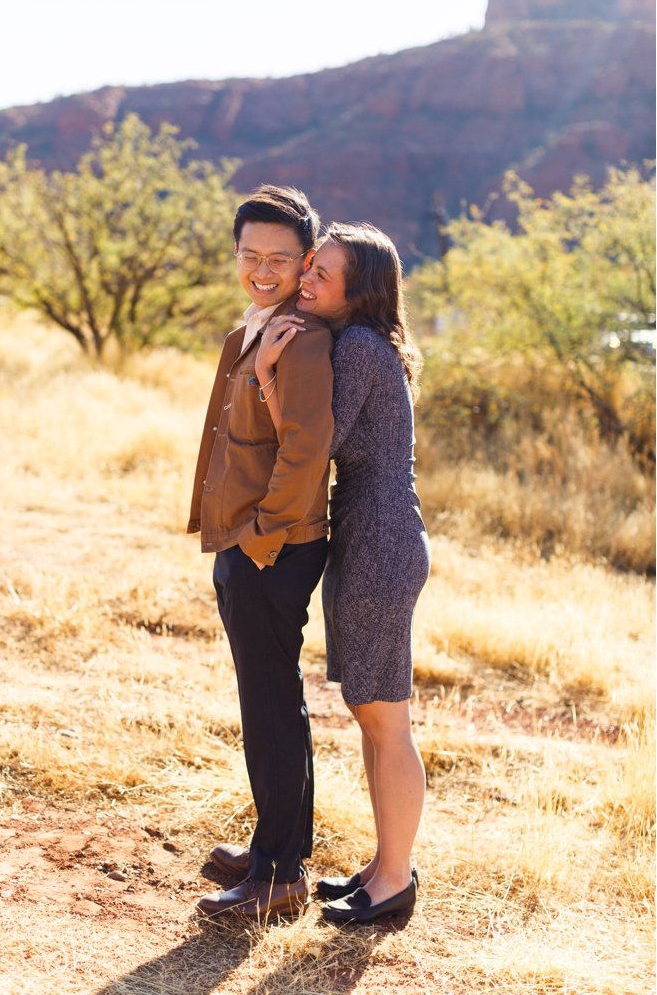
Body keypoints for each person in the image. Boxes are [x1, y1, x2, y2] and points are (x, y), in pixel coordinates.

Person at [253, 221, 431, 926]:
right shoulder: (364, 344)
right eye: (311, 267)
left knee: (386, 719)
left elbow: (312, 442)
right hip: (374, 534)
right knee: (372, 713)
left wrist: (267, 373)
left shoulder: (356, 346)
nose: (307, 279)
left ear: (358, 291)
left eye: (322, 272)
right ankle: (384, 864)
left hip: (379, 541)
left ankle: (395, 880)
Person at [188, 184, 335, 919]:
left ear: (306, 260)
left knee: (273, 707)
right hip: (247, 543)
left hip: (273, 549)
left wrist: (259, 540)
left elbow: (308, 453)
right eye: (251, 255)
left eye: (281, 258)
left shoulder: (302, 338)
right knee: (270, 702)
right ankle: (277, 848)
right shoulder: (253, 329)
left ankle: (279, 874)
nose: (264, 269)